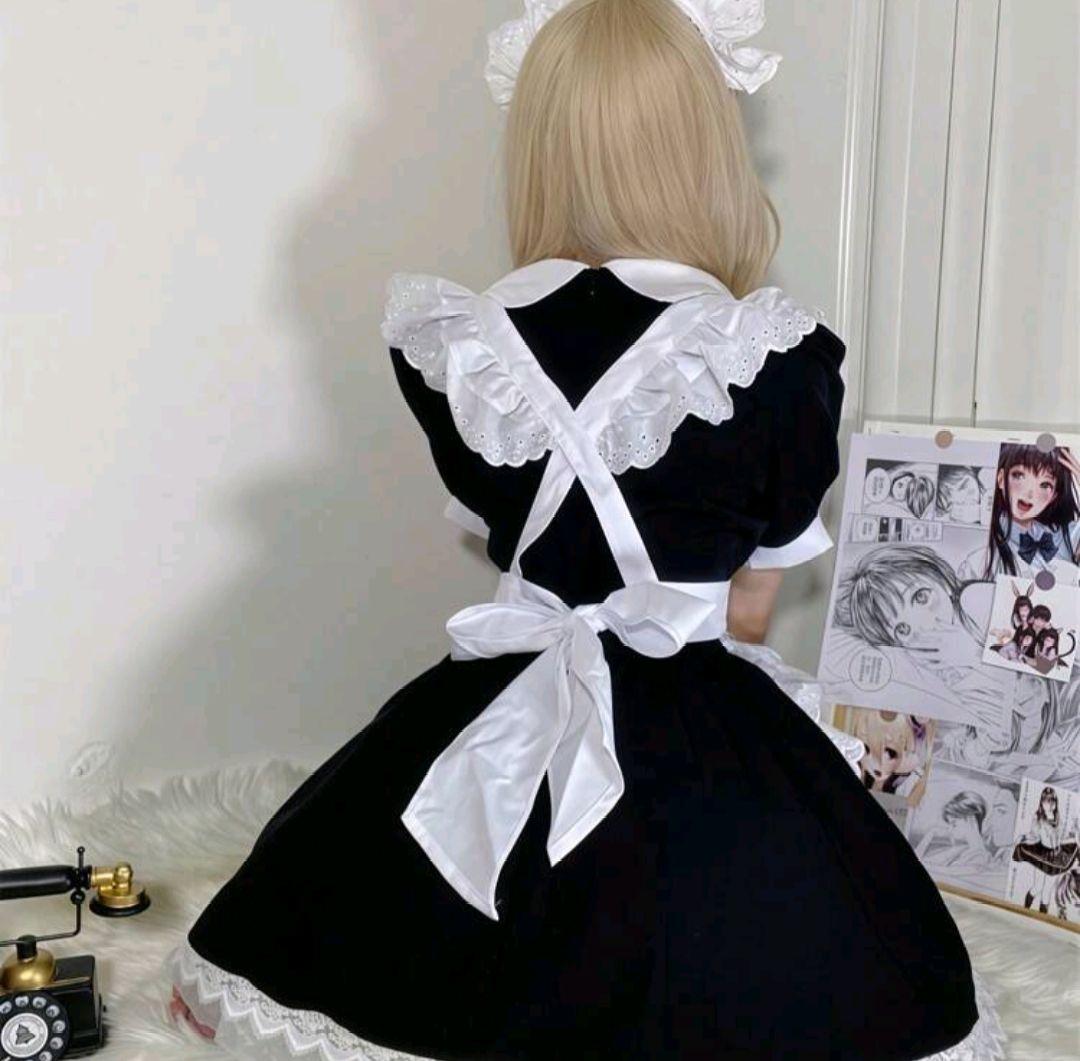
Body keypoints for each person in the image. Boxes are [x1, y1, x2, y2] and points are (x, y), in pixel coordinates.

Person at [165, 2, 1006, 1058]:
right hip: (693, 711)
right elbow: (750, 600)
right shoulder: (772, 358)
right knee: (772, 940)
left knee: (402, 906)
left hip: (504, 686)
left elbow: (501, 537)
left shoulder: (462, 345)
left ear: (540, 145)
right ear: (705, 144)